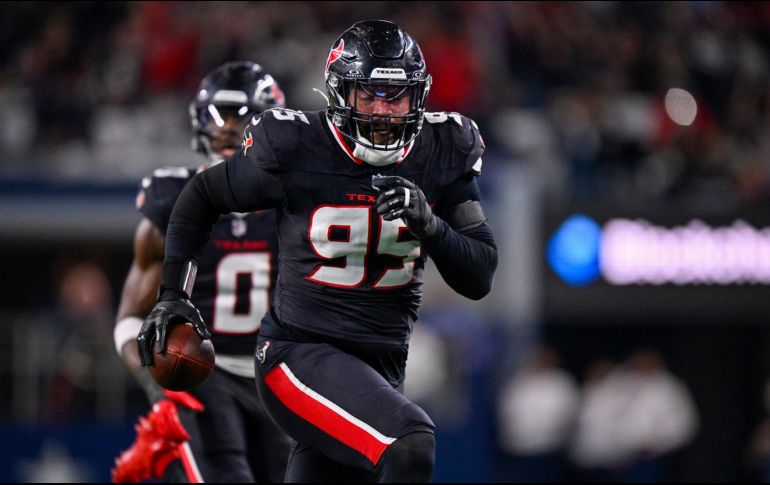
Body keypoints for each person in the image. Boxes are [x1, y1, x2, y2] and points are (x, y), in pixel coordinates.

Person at [137, 19, 498, 482]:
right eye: (367, 95)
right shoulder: (297, 146)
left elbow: (480, 275)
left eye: (395, 97)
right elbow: (201, 197)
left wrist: (430, 226)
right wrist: (174, 293)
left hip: (380, 365)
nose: (382, 112)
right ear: (339, 95)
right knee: (410, 444)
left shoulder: (444, 147)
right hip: (297, 353)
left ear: (419, 97)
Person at [111, 61, 288, 483]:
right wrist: (156, 380)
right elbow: (130, 318)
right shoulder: (170, 199)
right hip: (204, 374)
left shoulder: (299, 199)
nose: (227, 127)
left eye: (242, 114)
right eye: (217, 114)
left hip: (284, 372)